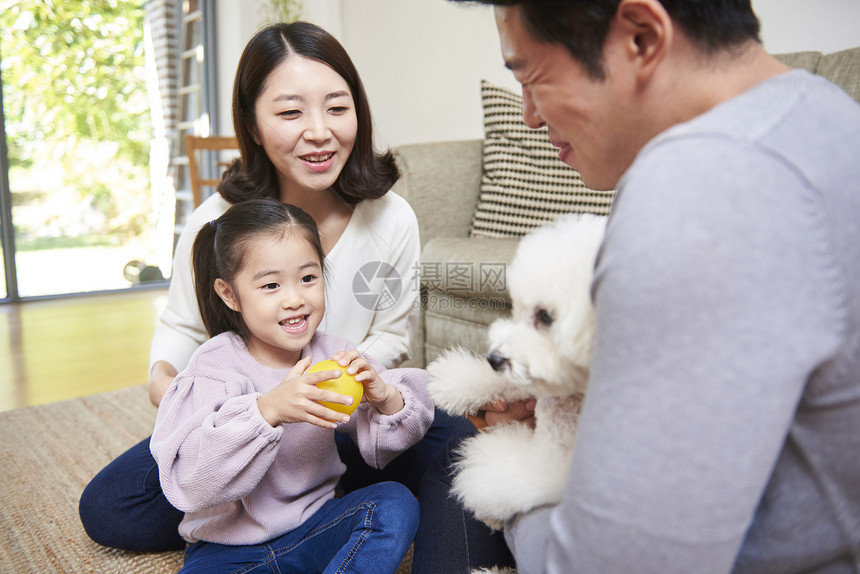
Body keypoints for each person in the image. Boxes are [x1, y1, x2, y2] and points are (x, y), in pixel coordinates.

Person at [414, 1, 860, 573]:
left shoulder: (698, 190)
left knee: (456, 454)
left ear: (642, 38)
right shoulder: (826, 116)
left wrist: (514, 472)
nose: (526, 114)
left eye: (531, 76)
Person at [79, 21, 473, 552]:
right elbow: (179, 327)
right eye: (291, 112)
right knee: (110, 507)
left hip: (346, 422)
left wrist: (341, 392)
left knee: (453, 435)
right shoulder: (216, 222)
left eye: (337, 107)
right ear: (254, 125)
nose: (319, 131)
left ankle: (336, 506)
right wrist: (169, 382)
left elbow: (392, 335)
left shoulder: (391, 217)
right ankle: (311, 515)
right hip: (246, 423)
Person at [150, 198, 431, 573]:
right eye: (270, 285)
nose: (295, 299)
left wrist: (386, 398)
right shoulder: (212, 366)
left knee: (394, 503)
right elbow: (191, 482)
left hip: (317, 529)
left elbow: (386, 445)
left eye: (308, 278)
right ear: (229, 293)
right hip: (228, 552)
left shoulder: (336, 355)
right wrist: (267, 411)